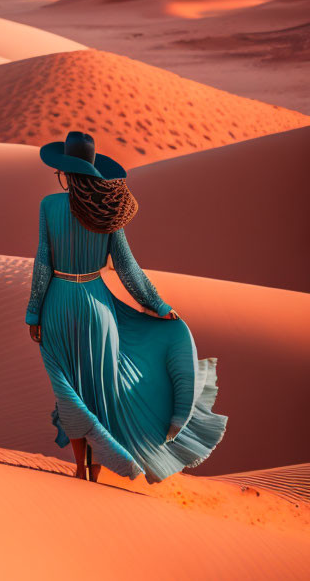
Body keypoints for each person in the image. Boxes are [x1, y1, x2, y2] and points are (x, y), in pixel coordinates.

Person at [25, 130, 228, 484]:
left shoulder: (48, 206)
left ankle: (78, 468)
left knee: (67, 388)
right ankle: (99, 470)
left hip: (57, 305)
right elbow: (127, 267)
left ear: (64, 173)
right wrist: (157, 305)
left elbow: (43, 262)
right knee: (99, 391)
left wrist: (33, 312)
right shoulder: (106, 211)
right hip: (98, 306)